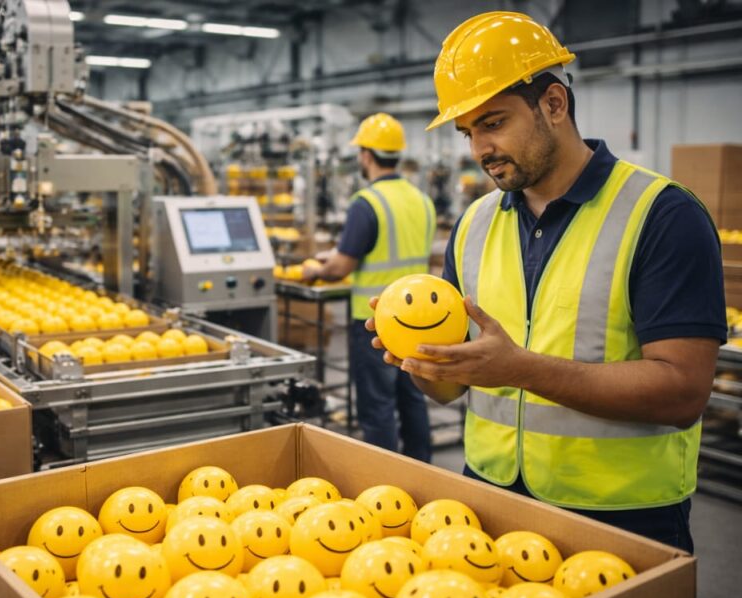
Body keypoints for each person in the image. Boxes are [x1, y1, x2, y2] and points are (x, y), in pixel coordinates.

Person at [366, 11, 726, 552]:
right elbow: (449, 391)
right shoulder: (475, 224)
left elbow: (682, 392)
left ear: (554, 105)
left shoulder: (662, 215)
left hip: (617, 518)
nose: (479, 150)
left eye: (493, 123)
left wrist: (520, 369)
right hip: (488, 503)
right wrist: (421, 361)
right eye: (469, 133)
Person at [303, 113, 437, 461]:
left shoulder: (367, 203)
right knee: (412, 398)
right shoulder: (422, 200)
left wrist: (315, 269)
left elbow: (341, 267)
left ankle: (385, 478)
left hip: (374, 321)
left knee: (377, 405)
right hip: (420, 320)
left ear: (366, 155)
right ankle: (423, 471)